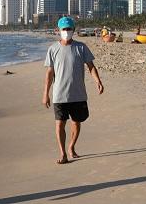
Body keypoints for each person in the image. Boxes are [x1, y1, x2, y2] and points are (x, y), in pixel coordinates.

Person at [42, 17, 104, 164]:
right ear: (58, 31)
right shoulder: (53, 49)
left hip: (78, 94)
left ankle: (71, 146)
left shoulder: (81, 47)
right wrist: (46, 94)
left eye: (69, 29)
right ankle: (63, 153)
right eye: (64, 29)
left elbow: (91, 66)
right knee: (60, 124)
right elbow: (49, 73)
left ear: (74, 30)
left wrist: (98, 81)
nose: (67, 32)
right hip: (59, 95)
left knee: (76, 122)